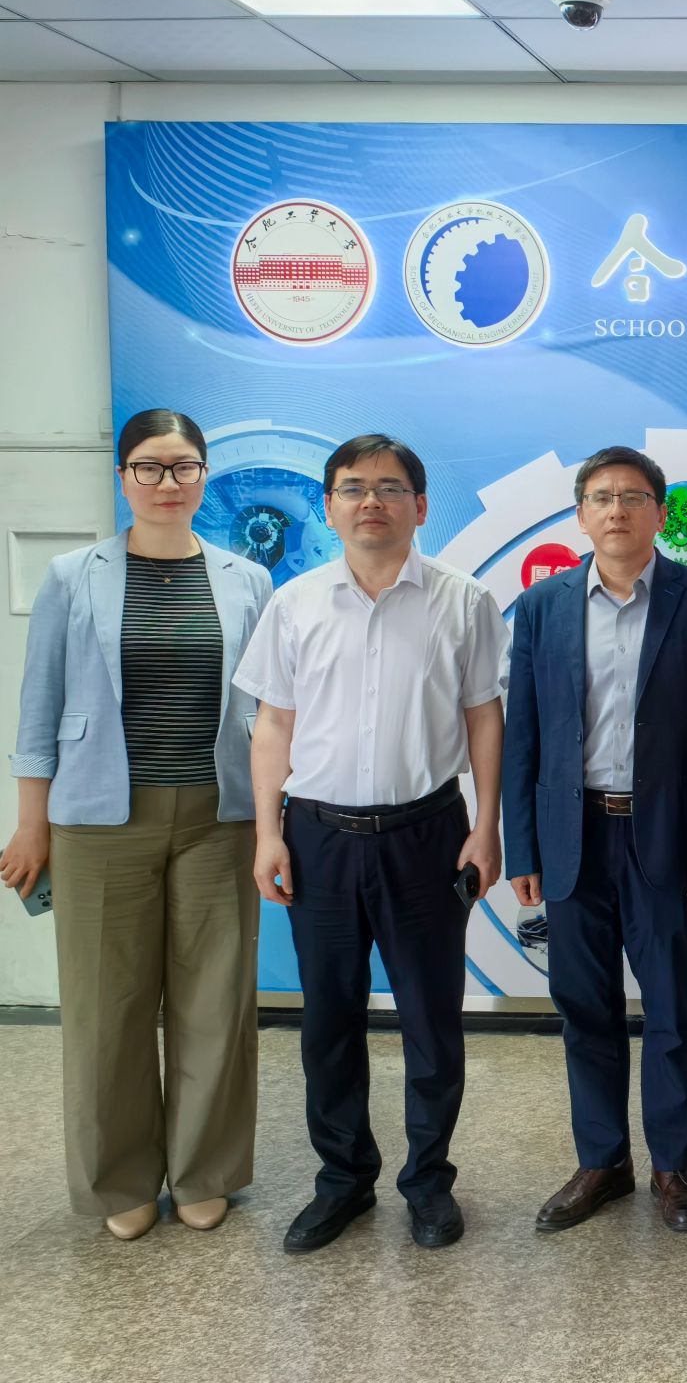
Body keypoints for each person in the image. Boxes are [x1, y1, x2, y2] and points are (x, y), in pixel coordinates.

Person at [2, 411, 271, 1241]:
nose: (167, 483)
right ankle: (118, 1177)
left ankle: (204, 1170)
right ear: (122, 477)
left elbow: (268, 711)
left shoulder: (246, 579)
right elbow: (40, 704)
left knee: (215, 1003)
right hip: (97, 821)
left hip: (219, 816)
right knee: (105, 1007)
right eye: (149, 467)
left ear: (204, 476)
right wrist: (31, 824)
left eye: (184, 467)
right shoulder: (70, 576)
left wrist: (275, 817)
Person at [236, 434, 507, 1254]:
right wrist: (268, 833)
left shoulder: (464, 601)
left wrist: (486, 826)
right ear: (329, 507)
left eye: (390, 488)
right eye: (353, 488)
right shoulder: (295, 603)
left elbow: (484, 718)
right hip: (317, 836)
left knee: (431, 1020)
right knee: (328, 1021)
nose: (371, 502)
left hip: (428, 835)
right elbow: (272, 725)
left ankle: (428, 1181)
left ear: (420, 506)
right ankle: (343, 1180)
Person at [503, 446, 687, 1236]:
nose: (616, 510)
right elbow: (524, 734)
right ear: (580, 514)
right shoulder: (542, 606)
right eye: (601, 497)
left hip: (666, 835)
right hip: (572, 836)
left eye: (633, 497)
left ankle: (673, 1165)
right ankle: (602, 1161)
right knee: (584, 1004)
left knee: (671, 1004)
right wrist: (523, 848)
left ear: (659, 514)